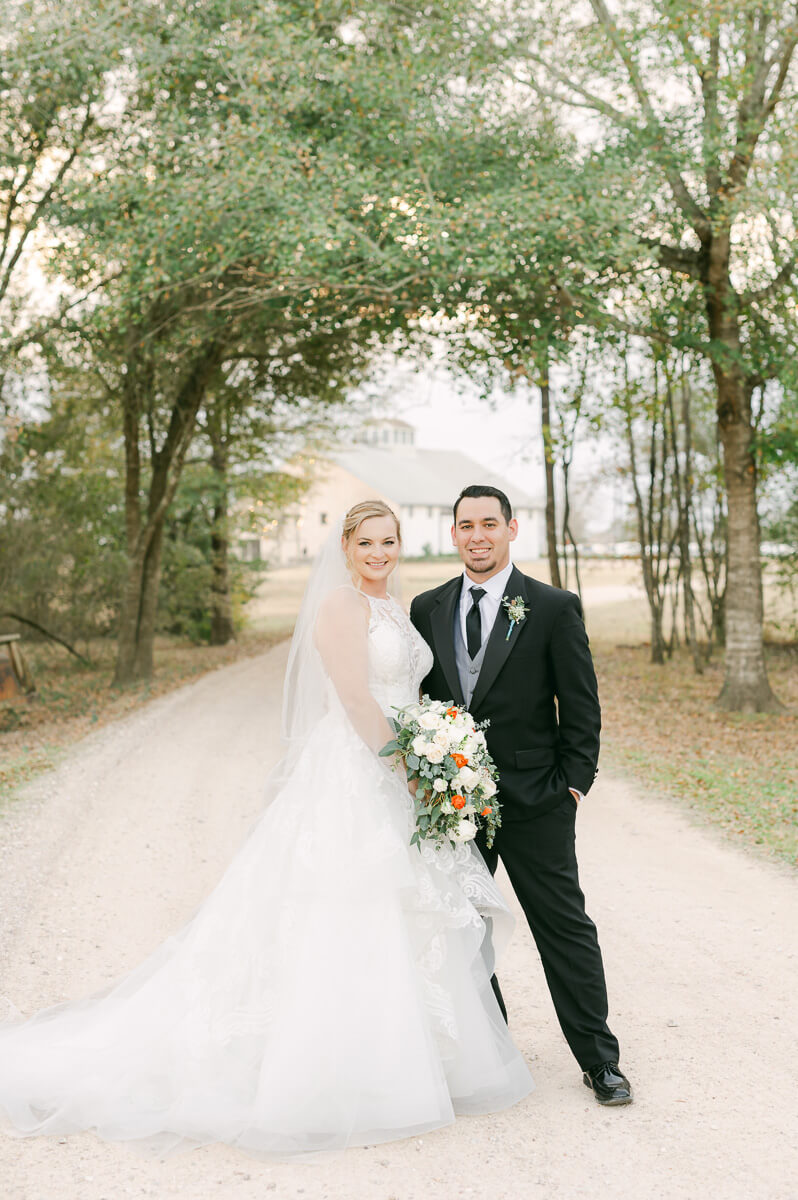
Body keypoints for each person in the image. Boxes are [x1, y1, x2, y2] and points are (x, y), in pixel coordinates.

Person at [0, 500, 532, 1159]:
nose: (379, 552)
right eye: (366, 542)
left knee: (402, 915)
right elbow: (357, 698)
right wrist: (411, 772)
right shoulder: (341, 608)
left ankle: (406, 1057)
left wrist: (435, 750)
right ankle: (329, 1072)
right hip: (359, 772)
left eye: (389, 541)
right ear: (345, 547)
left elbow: (408, 694)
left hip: (401, 764)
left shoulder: (396, 608)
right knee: (342, 911)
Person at [409, 485, 632, 1106]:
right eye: (465, 526)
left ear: (511, 529)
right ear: (452, 534)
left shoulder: (554, 606)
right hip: (455, 804)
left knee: (563, 927)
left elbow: (581, 706)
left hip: (537, 798)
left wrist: (574, 788)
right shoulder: (427, 607)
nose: (476, 535)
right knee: (465, 930)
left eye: (488, 524)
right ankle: (491, 1051)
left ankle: (599, 1059)